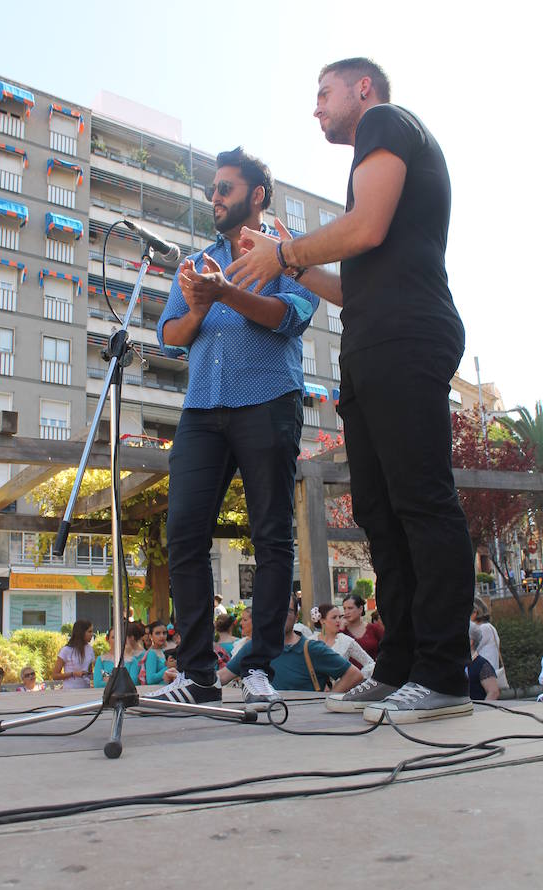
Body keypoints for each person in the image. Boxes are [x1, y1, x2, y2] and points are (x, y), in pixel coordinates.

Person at [227, 57, 475, 725]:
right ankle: (399, 667)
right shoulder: (372, 156)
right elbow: (351, 286)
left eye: (324, 93)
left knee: (421, 500)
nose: (315, 108)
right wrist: (292, 256)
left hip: (408, 335)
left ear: (362, 88)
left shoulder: (387, 123)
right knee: (380, 514)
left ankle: (445, 673)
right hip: (372, 340)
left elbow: (363, 229)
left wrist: (283, 254)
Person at [149, 146, 319, 708]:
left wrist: (228, 293)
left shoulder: (288, 256)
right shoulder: (197, 261)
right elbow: (170, 334)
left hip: (268, 402)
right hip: (201, 409)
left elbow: (290, 318)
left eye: (225, 188)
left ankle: (259, 666)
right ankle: (197, 674)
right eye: (212, 190)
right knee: (183, 535)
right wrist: (201, 303)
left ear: (256, 195)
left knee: (272, 535)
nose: (214, 197)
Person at [220, 595, 363, 708]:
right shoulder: (254, 647)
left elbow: (354, 675)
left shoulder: (312, 649)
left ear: (296, 616)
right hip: (265, 726)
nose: (280, 615)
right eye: (275, 609)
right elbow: (224, 676)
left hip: (303, 726)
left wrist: (327, 701)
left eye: (286, 610)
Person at [311, 603, 375, 679]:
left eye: (340, 617)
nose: (338, 620)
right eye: (334, 617)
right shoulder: (310, 641)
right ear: (322, 621)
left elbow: (370, 664)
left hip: (343, 689)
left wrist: (357, 679)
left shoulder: (346, 641)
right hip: (314, 689)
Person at [53, 619, 95, 689]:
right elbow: (55, 675)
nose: (92, 634)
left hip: (86, 689)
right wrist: (73, 674)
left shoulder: (90, 649)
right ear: (81, 632)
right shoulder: (66, 650)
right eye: (89, 631)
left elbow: (89, 671)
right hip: (70, 690)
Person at [340, 594, 383, 661]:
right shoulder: (341, 630)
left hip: (372, 669)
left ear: (360, 609)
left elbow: (386, 650)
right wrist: (341, 629)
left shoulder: (374, 629)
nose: (346, 612)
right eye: (344, 608)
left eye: (350, 608)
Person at [141, 621, 178, 685]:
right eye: (157, 633)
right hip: (159, 691)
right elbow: (150, 679)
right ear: (150, 636)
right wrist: (168, 667)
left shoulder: (170, 649)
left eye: (164, 633)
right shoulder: (151, 654)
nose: (162, 636)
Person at [467, 634, 500, 701]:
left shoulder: (482, 665)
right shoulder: (459, 663)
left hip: (477, 709)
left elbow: (493, 692)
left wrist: (482, 710)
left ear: (471, 641)